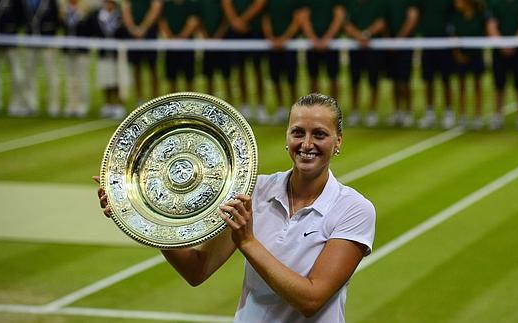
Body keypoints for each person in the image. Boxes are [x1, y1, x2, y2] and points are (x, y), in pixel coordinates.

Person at [94, 93, 376, 322]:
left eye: (320, 135)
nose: (307, 144)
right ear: (287, 137)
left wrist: (249, 243)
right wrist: (139, 215)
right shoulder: (253, 190)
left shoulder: (354, 210)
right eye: (298, 132)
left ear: (338, 142)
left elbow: (311, 299)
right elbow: (197, 270)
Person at [486, 0, 518, 130]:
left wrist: (514, 43)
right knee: (499, 84)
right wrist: (502, 43)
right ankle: (497, 116)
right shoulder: (494, 4)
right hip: (499, 50)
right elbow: (491, 25)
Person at [222, 0, 268, 123]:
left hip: (255, 29)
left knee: (258, 69)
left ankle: (260, 106)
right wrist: (235, 21)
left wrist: (243, 19)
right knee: (238, 69)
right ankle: (244, 107)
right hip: (235, 31)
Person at [343, 0, 387, 127]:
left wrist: (366, 34)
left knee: (373, 80)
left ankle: (371, 112)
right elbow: (346, 24)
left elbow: (382, 22)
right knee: (354, 81)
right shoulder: (351, 4)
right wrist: (358, 36)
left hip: (373, 48)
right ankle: (355, 112)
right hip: (356, 48)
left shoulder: (378, 4)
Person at [261, 0, 304, 124]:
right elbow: (266, 18)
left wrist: (285, 38)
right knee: (276, 78)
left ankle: (294, 110)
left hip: (289, 45)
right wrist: (271, 38)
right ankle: (280, 109)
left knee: (291, 80)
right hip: (273, 45)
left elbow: (298, 19)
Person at [415, 0, 456, 130]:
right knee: (428, 80)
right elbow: (418, 15)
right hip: (428, 43)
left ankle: (449, 112)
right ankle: (429, 113)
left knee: (446, 80)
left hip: (444, 43)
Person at [18, 0, 61, 117]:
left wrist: (50, 36)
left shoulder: (51, 2)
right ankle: (31, 105)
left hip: (47, 42)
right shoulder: (24, 2)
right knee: (29, 74)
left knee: (51, 74)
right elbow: (21, 17)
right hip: (30, 42)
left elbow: (56, 19)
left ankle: (54, 105)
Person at [449, 0, 486, 130]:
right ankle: (463, 116)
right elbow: (453, 36)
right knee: (461, 86)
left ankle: (478, 116)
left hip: (476, 54)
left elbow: (484, 33)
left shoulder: (480, 15)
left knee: (477, 85)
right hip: (461, 56)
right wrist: (458, 54)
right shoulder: (455, 16)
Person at [87, 0, 126, 119]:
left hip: (117, 54)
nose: (108, 5)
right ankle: (108, 104)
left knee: (118, 80)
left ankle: (119, 105)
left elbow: (123, 33)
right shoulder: (97, 16)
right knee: (105, 80)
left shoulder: (120, 16)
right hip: (103, 53)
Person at [383, 0, 419, 128]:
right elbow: (384, 21)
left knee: (404, 80)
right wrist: (388, 40)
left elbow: (412, 18)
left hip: (405, 45)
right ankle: (397, 111)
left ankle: (408, 111)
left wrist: (399, 40)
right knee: (394, 80)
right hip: (390, 46)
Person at [301, 0, 346, 101]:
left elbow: (339, 16)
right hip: (312, 44)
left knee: (333, 78)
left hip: (331, 44)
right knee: (313, 78)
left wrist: (326, 39)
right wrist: (314, 40)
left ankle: (333, 110)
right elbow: (303, 16)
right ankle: (315, 109)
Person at [121, 0, 163, 105]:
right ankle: (139, 99)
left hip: (150, 34)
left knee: (152, 68)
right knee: (136, 68)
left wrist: (144, 27)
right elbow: (126, 9)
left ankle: (155, 99)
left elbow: (156, 7)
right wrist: (132, 29)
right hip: (133, 36)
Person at [60, 0, 92, 118]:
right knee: (70, 78)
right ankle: (71, 104)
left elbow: (89, 29)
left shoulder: (85, 9)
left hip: (81, 50)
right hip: (68, 50)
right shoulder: (63, 9)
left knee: (82, 78)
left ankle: (83, 104)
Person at [158, 0, 199, 93]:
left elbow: (193, 21)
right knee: (172, 77)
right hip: (171, 46)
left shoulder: (191, 4)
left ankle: (190, 103)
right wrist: (171, 38)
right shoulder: (167, 5)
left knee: (189, 77)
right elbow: (162, 22)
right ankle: (174, 104)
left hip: (187, 46)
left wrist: (181, 37)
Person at [0, 0, 24, 116]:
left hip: (10, 40)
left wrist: (11, 28)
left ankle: (16, 104)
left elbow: (21, 16)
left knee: (16, 73)